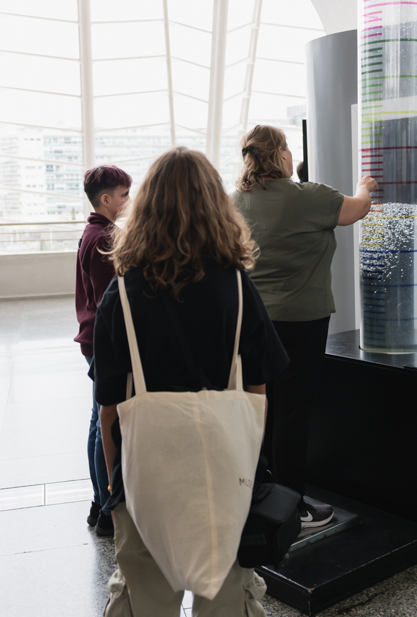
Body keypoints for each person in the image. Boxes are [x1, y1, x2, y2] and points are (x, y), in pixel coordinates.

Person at [93, 147, 287, 616]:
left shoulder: (121, 294)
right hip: (224, 473)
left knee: (146, 598)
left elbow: (109, 410)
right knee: (225, 596)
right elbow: (258, 392)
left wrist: (117, 490)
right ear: (216, 206)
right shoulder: (237, 287)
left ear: (146, 208)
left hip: (146, 478)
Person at [231, 125, 376, 530]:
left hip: (250, 323)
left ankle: (256, 499)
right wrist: (365, 185)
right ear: (279, 154)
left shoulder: (232, 201)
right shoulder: (310, 196)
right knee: (291, 416)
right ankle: (290, 508)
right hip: (301, 323)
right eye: (287, 148)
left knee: (258, 411)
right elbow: (358, 209)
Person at [75, 165, 132, 538]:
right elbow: (110, 300)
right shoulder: (105, 239)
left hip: (93, 338)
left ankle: (99, 503)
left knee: (99, 420)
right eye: (124, 195)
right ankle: (107, 506)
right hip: (104, 341)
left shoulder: (93, 232)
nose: (129, 200)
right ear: (107, 199)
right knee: (105, 421)